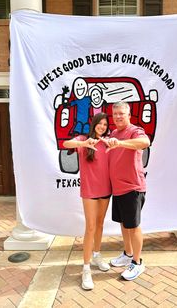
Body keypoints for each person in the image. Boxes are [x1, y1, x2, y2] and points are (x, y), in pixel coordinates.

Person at [101, 101, 150, 281]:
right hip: (118, 188)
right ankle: (128, 254)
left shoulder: (135, 131)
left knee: (134, 225)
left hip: (132, 187)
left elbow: (145, 142)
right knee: (124, 223)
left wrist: (120, 143)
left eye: (121, 113)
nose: (118, 117)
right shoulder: (113, 133)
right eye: (115, 114)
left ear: (129, 114)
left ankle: (138, 262)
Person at [63, 113, 111, 290]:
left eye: (105, 125)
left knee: (99, 225)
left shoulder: (108, 141)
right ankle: (86, 268)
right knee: (90, 226)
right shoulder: (84, 139)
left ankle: (97, 255)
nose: (102, 127)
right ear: (94, 124)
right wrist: (83, 143)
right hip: (90, 190)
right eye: (100, 123)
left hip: (106, 189)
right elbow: (65, 144)